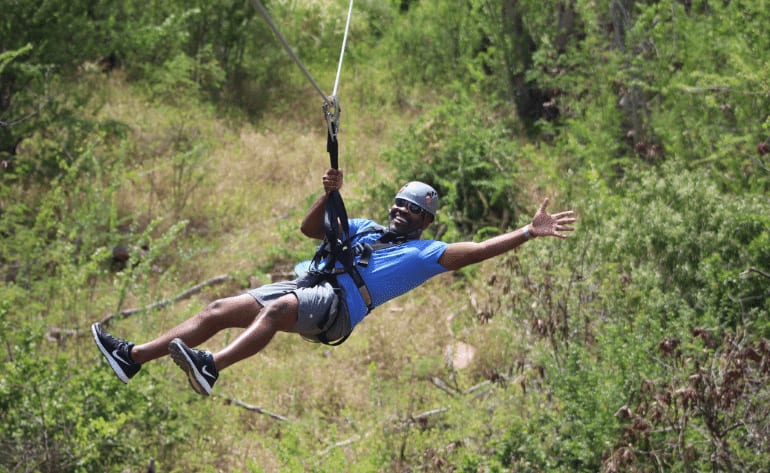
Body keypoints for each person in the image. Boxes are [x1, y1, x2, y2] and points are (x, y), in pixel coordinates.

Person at [91, 168, 577, 395]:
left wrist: (527, 233)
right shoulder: (364, 225)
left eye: (412, 209)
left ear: (425, 221)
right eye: (399, 204)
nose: (401, 211)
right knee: (217, 310)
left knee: (277, 312)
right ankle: (131, 357)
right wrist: (329, 196)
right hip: (308, 284)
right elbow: (308, 230)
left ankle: (212, 366)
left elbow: (479, 251)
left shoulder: (424, 253)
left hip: (338, 307)